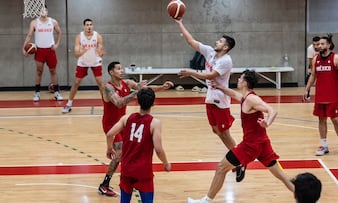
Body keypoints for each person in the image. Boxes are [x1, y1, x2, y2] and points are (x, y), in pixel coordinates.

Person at [187, 70, 295, 203]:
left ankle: (206, 200)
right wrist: (219, 87)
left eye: (240, 78)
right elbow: (233, 94)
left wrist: (267, 122)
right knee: (281, 176)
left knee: (221, 168)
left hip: (251, 145)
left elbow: (272, 110)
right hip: (263, 144)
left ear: (244, 83)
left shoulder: (251, 99)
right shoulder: (246, 97)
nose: (238, 80)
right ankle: (306, 199)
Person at [98, 61, 173, 197]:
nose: (122, 71)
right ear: (111, 72)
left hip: (124, 123)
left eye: (122, 68)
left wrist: (162, 87)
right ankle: (105, 185)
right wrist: (136, 93)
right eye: (118, 69)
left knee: (130, 151)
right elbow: (119, 103)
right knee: (120, 153)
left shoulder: (127, 83)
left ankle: (131, 180)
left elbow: (145, 90)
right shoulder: (108, 88)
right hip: (111, 124)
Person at [174, 18, 236, 151]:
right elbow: (191, 41)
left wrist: (191, 73)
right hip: (210, 95)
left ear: (225, 47)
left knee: (224, 133)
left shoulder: (226, 61)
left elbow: (210, 75)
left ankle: (239, 158)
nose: (216, 42)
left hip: (221, 98)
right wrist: (180, 24)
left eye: (220, 41)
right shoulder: (210, 52)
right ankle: (235, 154)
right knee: (216, 130)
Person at [106, 88, 171, 203]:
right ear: (153, 103)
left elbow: (110, 134)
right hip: (143, 170)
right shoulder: (154, 123)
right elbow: (158, 149)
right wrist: (166, 163)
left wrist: (109, 148)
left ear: (137, 102)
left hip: (127, 168)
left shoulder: (126, 118)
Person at [303, 34, 338, 156]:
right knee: (321, 119)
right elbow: (313, 76)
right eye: (318, 44)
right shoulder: (316, 59)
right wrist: (307, 89)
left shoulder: (336, 58)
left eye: (322, 44)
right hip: (320, 95)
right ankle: (323, 145)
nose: (319, 46)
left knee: (335, 119)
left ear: (329, 45)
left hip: (333, 96)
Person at [62, 18, 104, 113]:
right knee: (76, 82)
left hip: (95, 61)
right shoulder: (79, 37)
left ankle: (106, 105)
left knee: (100, 83)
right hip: (83, 62)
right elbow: (76, 55)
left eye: (90, 25)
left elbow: (101, 52)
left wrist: (100, 52)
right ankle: (69, 104)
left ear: (92, 26)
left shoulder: (98, 36)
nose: (89, 26)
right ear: (84, 26)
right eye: (87, 25)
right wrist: (82, 51)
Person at [22, 5, 63, 101]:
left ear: (47, 11)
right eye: (41, 10)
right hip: (39, 50)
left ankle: (57, 93)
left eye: (44, 9)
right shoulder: (34, 22)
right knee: (39, 71)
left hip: (50, 50)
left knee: (53, 71)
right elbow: (29, 35)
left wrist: (57, 44)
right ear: (38, 12)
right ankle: (37, 93)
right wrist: (24, 47)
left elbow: (59, 32)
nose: (43, 11)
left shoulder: (53, 21)